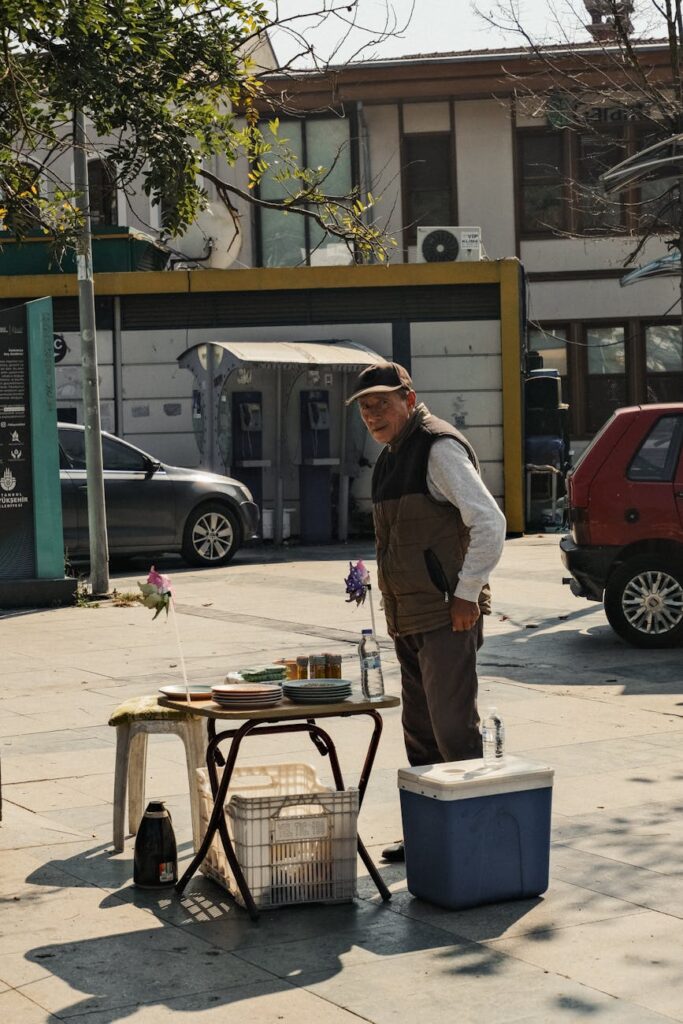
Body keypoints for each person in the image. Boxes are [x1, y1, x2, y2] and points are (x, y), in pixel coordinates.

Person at [347, 361, 506, 862]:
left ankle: (474, 842)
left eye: (383, 402)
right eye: (365, 407)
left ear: (409, 400)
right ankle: (429, 836)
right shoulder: (393, 455)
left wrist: (466, 593)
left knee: (453, 732)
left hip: (445, 616)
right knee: (419, 732)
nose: (373, 414)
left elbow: (489, 522)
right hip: (410, 617)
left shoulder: (437, 448)